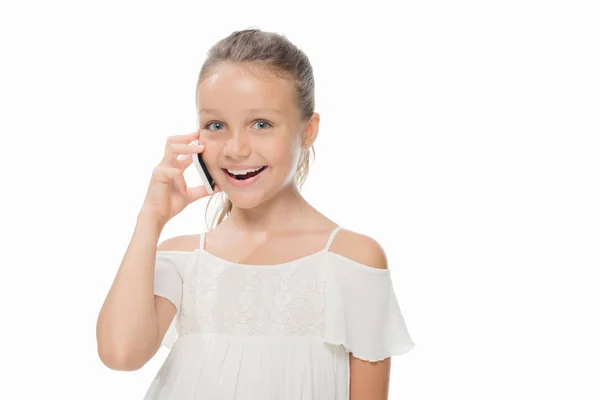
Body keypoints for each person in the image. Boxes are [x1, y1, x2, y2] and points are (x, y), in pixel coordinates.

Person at [96, 28, 415, 400]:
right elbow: (120, 354)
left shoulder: (351, 260)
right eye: (216, 125)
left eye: (261, 124)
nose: (234, 148)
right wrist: (149, 219)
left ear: (308, 130)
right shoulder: (183, 260)